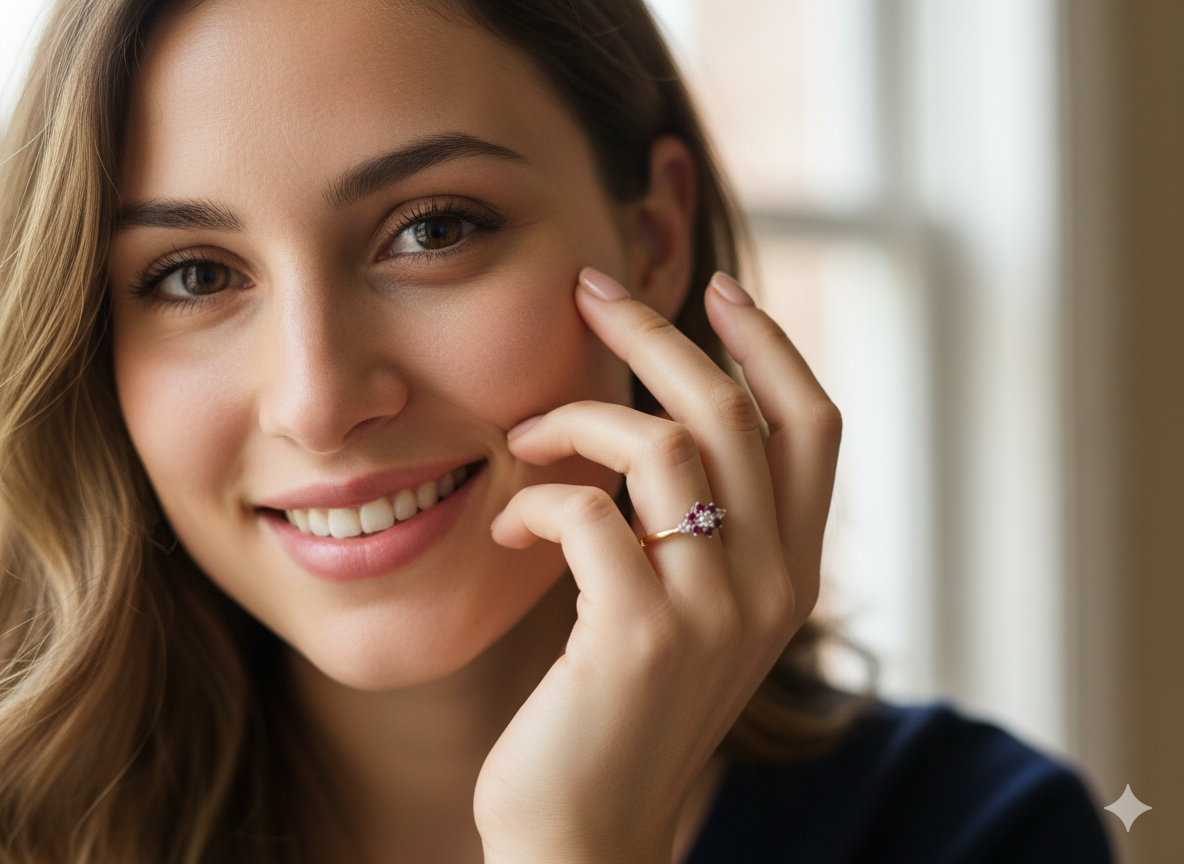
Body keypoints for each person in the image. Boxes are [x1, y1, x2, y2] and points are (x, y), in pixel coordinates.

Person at [0, 0, 1114, 862]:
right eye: (192, 275)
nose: (317, 399)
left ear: (655, 235)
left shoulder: (973, 834)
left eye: (432, 230)